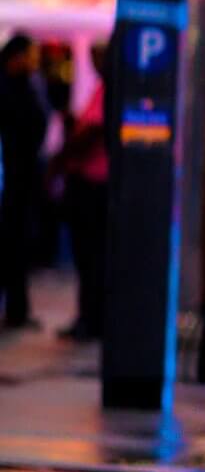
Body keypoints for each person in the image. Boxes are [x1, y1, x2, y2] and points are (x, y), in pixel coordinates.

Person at [55, 44, 110, 341]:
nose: (94, 62)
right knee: (89, 256)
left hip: (94, 182)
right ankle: (88, 317)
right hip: (90, 181)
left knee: (91, 256)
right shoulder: (103, 88)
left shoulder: (110, 89)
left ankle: (91, 319)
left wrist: (64, 157)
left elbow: (94, 131)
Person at [0, 34, 48, 330]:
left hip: (21, 178)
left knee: (17, 245)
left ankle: (17, 309)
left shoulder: (26, 84)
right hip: (12, 178)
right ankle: (15, 309)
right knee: (11, 243)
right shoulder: (10, 88)